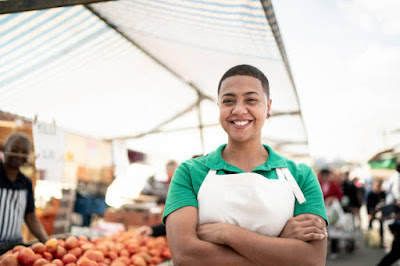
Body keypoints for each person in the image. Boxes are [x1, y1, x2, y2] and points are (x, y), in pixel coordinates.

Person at [162, 64, 328, 265]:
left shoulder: (301, 176)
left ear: (268, 107)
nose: (239, 110)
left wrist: (227, 233)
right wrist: (280, 247)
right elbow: (185, 256)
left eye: (251, 100)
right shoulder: (189, 172)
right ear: (219, 108)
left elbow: (312, 260)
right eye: (228, 101)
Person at [0, 132, 48, 248]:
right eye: (15, 150)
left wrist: (46, 242)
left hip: (15, 246)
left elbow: (30, 217)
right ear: (5, 149)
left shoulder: (26, 183)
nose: (19, 155)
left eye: (24, 152)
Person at [377, 161, 400, 266]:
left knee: (395, 252)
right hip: (396, 219)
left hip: (395, 220)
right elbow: (398, 199)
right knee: (395, 252)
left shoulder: (395, 177)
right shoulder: (398, 179)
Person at [367, 179, 386, 247]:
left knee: (381, 225)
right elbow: (368, 204)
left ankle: (381, 241)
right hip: (372, 211)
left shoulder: (383, 194)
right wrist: (369, 214)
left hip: (380, 211)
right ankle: (369, 239)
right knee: (370, 225)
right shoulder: (371, 194)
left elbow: (385, 204)